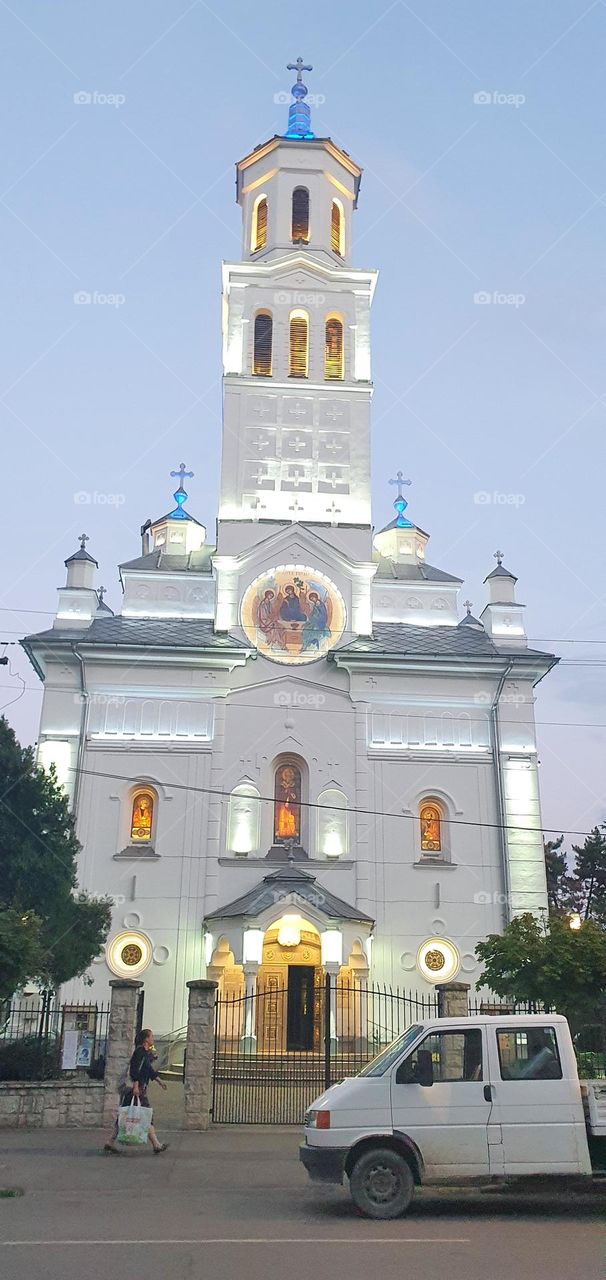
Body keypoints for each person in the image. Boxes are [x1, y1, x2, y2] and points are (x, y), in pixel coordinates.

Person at [104, 1028, 169, 1155]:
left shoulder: (144, 1053)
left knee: (126, 1116)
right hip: (136, 1090)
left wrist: (159, 1081)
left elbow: (148, 1070)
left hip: (138, 1089)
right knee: (145, 1115)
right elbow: (135, 1071)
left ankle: (109, 1142)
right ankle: (156, 1145)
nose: (153, 1039)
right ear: (146, 1039)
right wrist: (135, 1086)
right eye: (151, 1037)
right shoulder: (139, 1052)